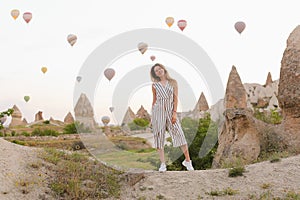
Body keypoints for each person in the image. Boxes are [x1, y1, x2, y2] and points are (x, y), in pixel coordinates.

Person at [150, 63, 194, 172]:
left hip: (170, 112)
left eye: (160, 69)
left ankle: (188, 161)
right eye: (156, 70)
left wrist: (174, 113)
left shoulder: (173, 82)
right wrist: (152, 116)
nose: (159, 71)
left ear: (164, 69)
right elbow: (154, 100)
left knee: (179, 134)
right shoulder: (154, 85)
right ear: (155, 74)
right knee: (159, 138)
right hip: (158, 112)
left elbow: (175, 99)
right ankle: (163, 164)